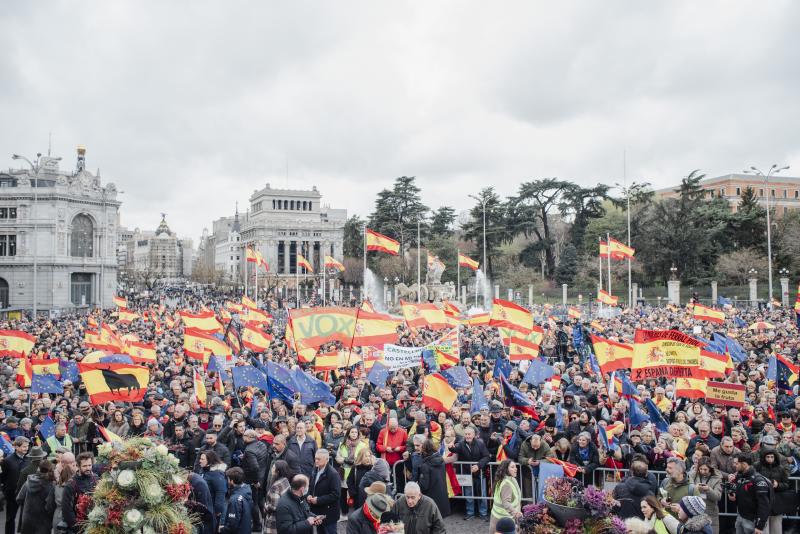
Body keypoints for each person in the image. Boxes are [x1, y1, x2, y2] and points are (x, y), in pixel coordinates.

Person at [449, 425, 490, 520]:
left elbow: (487, 457)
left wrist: (478, 465)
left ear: (474, 435)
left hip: (480, 473)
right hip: (467, 474)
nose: (467, 436)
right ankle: (470, 513)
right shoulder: (461, 443)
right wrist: (451, 447)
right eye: (466, 434)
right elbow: (456, 448)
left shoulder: (480, 444)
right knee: (468, 495)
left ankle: (483, 514)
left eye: (469, 434)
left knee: (482, 495)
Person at [729, 452, 771, 534]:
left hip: (752, 520)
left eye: (736, 463)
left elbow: (764, 505)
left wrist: (760, 526)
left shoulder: (758, 480)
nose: (734, 465)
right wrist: (734, 495)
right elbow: (743, 494)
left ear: (744, 464)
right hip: (740, 516)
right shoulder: (739, 476)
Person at [16, 460, 57, 534]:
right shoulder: (51, 485)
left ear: (39, 468)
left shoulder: (29, 481)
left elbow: (19, 498)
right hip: (44, 523)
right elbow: (51, 507)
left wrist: (27, 507)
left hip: (28, 521)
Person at [61, 452, 98, 534]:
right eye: (84, 466)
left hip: (95, 524)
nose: (88, 468)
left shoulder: (96, 479)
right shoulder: (70, 485)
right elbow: (67, 512)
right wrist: (79, 528)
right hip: (78, 528)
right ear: (78, 466)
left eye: (89, 465)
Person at [754, 449, 789, 534]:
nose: (770, 459)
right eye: (768, 457)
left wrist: (778, 485)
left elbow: (786, 484)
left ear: (775, 457)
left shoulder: (780, 468)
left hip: (776, 502)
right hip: (762, 501)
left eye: (772, 457)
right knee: (762, 528)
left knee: (776, 529)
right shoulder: (757, 466)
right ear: (764, 457)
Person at [307, 449, 341, 534]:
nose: (316, 461)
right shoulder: (315, 469)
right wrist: (309, 495)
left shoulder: (333, 474)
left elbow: (336, 494)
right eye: (315, 458)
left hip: (329, 513)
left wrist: (318, 500)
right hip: (318, 510)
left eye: (319, 459)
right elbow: (311, 486)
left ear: (327, 460)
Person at [1, 436, 30, 534]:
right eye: (24, 446)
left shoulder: (29, 459)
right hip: (12, 494)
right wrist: (6, 491)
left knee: (26, 518)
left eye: (27, 446)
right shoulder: (8, 461)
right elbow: (3, 478)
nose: (26, 448)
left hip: (26, 494)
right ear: (16, 447)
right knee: (10, 518)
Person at [241, 429, 269, 531]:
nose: (243, 437)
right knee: (261, 501)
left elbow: (254, 467)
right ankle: (266, 522)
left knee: (254, 503)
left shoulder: (248, 450)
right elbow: (262, 460)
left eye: (244, 435)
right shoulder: (261, 444)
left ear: (250, 437)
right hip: (263, 477)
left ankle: (257, 525)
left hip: (254, 481)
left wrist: (255, 481)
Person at [416, 439, 450, 518]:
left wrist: (418, 484)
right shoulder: (441, 461)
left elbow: (424, 486)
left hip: (431, 502)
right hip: (442, 500)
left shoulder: (425, 465)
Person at [687, 457, 722, 534]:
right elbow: (688, 489)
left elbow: (718, 496)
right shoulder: (692, 475)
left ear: (710, 468)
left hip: (710, 512)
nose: (702, 471)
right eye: (701, 469)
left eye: (705, 469)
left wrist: (708, 489)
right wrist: (695, 488)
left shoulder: (717, 478)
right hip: (695, 511)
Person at [489, 459, 522, 533]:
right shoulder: (507, 484)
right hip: (504, 520)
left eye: (515, 467)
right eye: (512, 467)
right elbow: (506, 503)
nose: (516, 469)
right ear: (506, 469)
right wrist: (515, 512)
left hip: (498, 517)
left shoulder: (504, 479)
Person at [199, 450, 228, 531]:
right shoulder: (203, 470)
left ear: (210, 460)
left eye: (202, 459)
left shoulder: (217, 474)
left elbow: (220, 492)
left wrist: (217, 510)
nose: (199, 461)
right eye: (200, 458)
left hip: (212, 510)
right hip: (204, 508)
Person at [219, 467, 253, 534]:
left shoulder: (234, 499)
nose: (227, 481)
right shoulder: (247, 490)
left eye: (228, 479)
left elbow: (232, 525)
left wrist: (222, 529)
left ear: (232, 481)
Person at [264, 460, 293, 534]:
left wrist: (266, 507)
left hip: (274, 520)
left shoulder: (275, 486)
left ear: (278, 471)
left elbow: (274, 506)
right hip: (283, 518)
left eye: (273, 468)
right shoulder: (285, 480)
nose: (271, 469)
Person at [51, 452, 75, 534]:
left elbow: (49, 503)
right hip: (68, 518)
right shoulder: (74, 482)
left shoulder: (56, 481)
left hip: (57, 516)